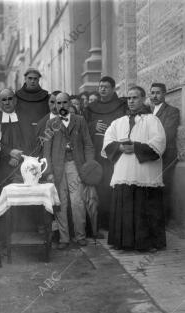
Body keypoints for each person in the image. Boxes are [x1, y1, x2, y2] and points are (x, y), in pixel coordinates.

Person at [102, 86, 166, 251]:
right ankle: (123, 242)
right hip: (124, 171)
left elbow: (159, 143)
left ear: (143, 99)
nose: (131, 101)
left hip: (144, 174)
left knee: (144, 207)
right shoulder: (118, 122)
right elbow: (108, 141)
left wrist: (136, 148)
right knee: (125, 206)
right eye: (129, 98)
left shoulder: (153, 121)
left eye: (135, 98)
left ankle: (147, 243)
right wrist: (121, 148)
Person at [44, 92, 95, 249]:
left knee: (77, 202)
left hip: (75, 165)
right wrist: (49, 172)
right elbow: (47, 150)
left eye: (65, 103)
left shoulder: (79, 121)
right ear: (55, 105)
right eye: (58, 103)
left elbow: (88, 144)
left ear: (69, 104)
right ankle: (64, 238)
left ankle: (80, 236)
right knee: (61, 203)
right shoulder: (51, 123)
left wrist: (89, 166)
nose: (61, 106)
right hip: (58, 168)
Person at [87, 76, 127, 232]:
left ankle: (114, 221)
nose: (102, 89)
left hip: (115, 152)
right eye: (100, 86)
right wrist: (93, 125)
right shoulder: (91, 107)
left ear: (113, 89)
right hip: (97, 152)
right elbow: (83, 126)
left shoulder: (121, 105)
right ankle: (101, 222)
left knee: (113, 185)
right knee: (100, 185)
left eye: (106, 87)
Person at [150, 82, 180, 223]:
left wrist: (149, 143)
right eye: (152, 92)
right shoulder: (148, 111)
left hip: (166, 154)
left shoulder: (172, 111)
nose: (154, 96)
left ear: (164, 94)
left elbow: (168, 133)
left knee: (164, 185)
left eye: (158, 93)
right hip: (151, 153)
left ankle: (164, 219)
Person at [15, 67, 49, 155]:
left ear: (38, 80)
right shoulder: (16, 97)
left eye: (35, 79)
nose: (32, 81)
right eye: (30, 78)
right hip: (22, 137)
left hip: (42, 137)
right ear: (25, 79)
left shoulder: (47, 97)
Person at [35, 90, 61, 157]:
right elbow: (39, 150)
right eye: (52, 102)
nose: (54, 106)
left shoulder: (72, 119)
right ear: (48, 102)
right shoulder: (41, 124)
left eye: (58, 102)